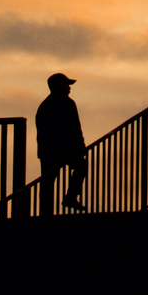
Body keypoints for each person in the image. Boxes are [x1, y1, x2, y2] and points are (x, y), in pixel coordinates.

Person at [36, 72, 87, 212]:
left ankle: (46, 211)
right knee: (80, 166)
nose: (69, 88)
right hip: (59, 150)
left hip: (50, 151)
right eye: (66, 85)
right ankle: (69, 198)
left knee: (48, 181)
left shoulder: (45, 106)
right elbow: (75, 128)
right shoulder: (66, 103)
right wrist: (80, 147)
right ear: (58, 86)